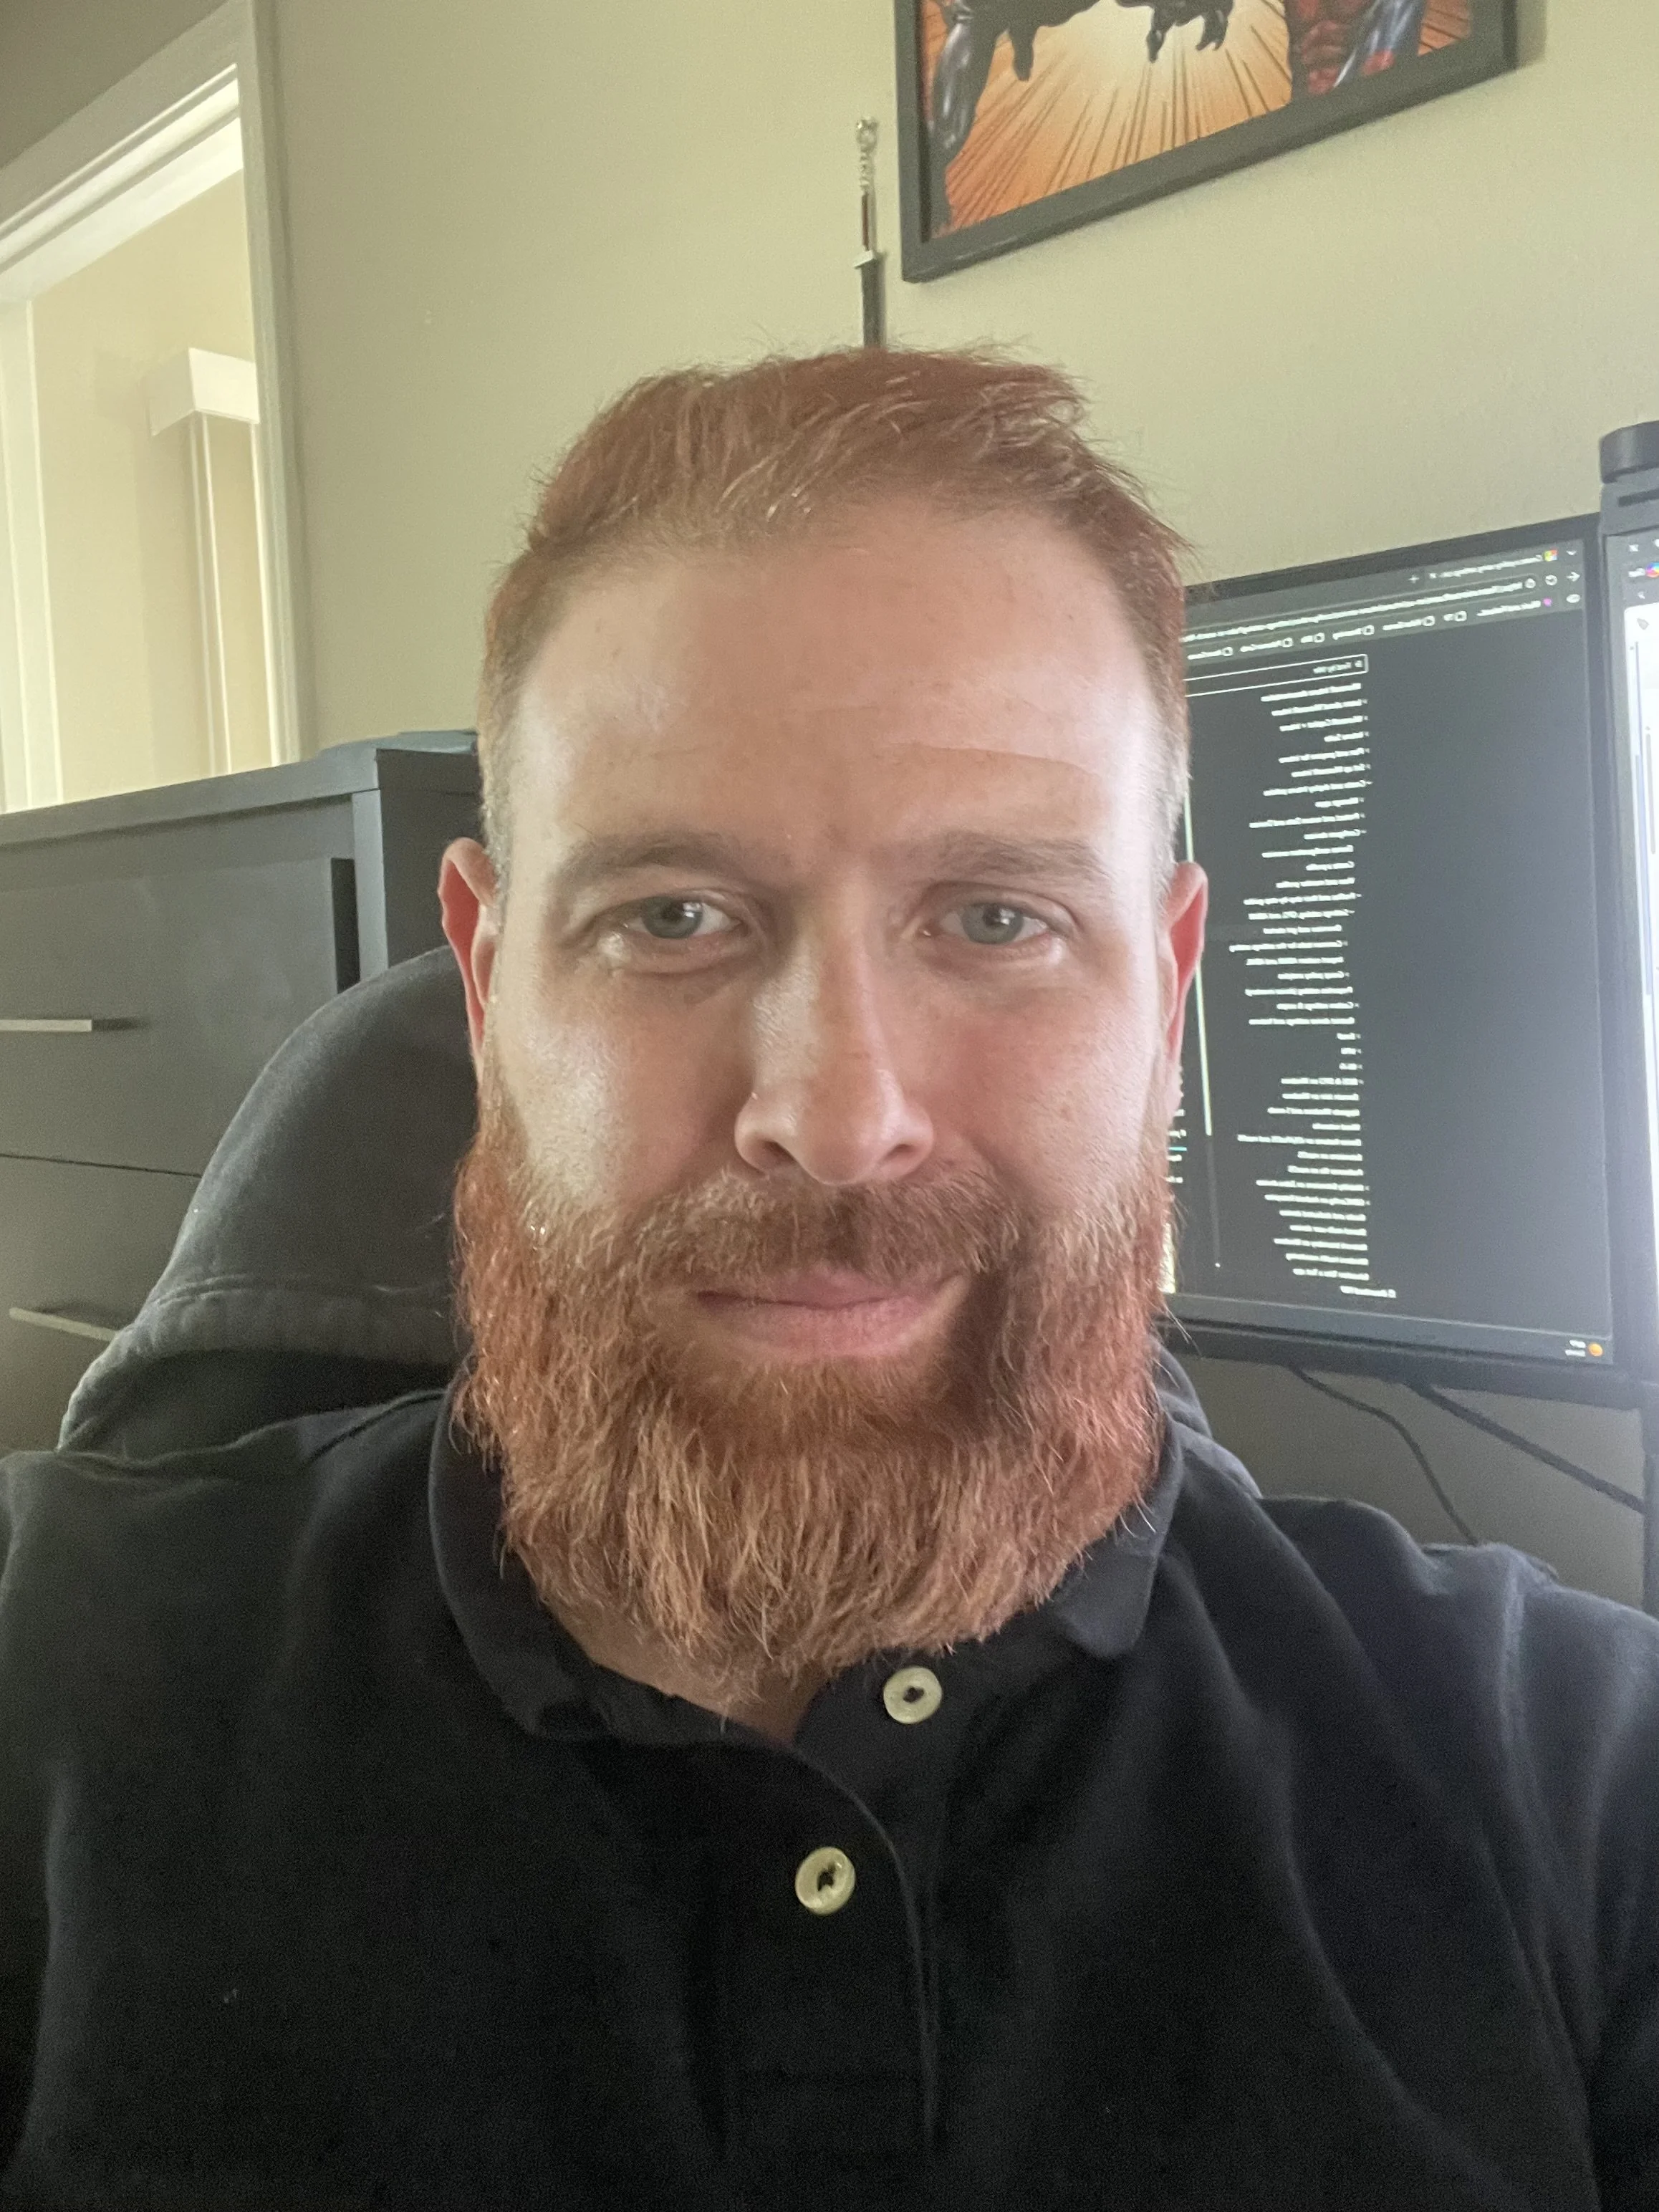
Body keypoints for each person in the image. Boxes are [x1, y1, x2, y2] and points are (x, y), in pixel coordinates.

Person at [1, 347, 1656, 2211]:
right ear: (483, 986)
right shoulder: (43, 1679)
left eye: (996, 919)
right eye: (671, 919)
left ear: (1168, 993)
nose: (837, 1114)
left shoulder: (1580, 1788)